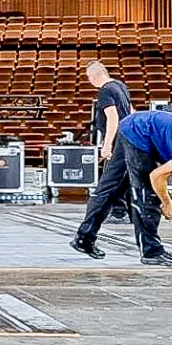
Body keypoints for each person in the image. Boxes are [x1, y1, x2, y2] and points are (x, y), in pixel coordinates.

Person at [113, 103, 172, 267]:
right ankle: (151, 252)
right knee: (147, 194)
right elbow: (157, 175)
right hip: (139, 129)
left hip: (147, 128)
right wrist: (167, 202)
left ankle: (88, 233)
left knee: (118, 181)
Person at [71, 61, 135, 256]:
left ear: (93, 77)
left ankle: (85, 236)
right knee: (125, 183)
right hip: (129, 140)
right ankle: (120, 213)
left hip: (117, 143)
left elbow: (113, 118)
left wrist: (107, 145)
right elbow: (131, 112)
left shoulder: (105, 91)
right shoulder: (120, 86)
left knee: (106, 187)